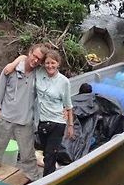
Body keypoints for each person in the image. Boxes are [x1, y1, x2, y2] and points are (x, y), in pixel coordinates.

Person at [4, 49, 73, 177]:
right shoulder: (39, 72)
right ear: (43, 64)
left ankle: (46, 181)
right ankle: (46, 171)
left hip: (58, 122)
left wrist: (70, 125)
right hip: (42, 122)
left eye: (53, 63)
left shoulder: (64, 82)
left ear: (58, 64)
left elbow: (68, 106)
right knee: (46, 153)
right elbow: (26, 58)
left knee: (51, 155)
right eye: (47, 63)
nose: (50, 66)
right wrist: (13, 64)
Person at [0, 43, 46, 182]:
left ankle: (34, 178)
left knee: (28, 153)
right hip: (6, 117)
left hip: (25, 120)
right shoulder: (11, 69)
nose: (35, 60)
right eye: (34, 56)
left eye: (39, 59)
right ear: (30, 52)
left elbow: (51, 66)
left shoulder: (38, 74)